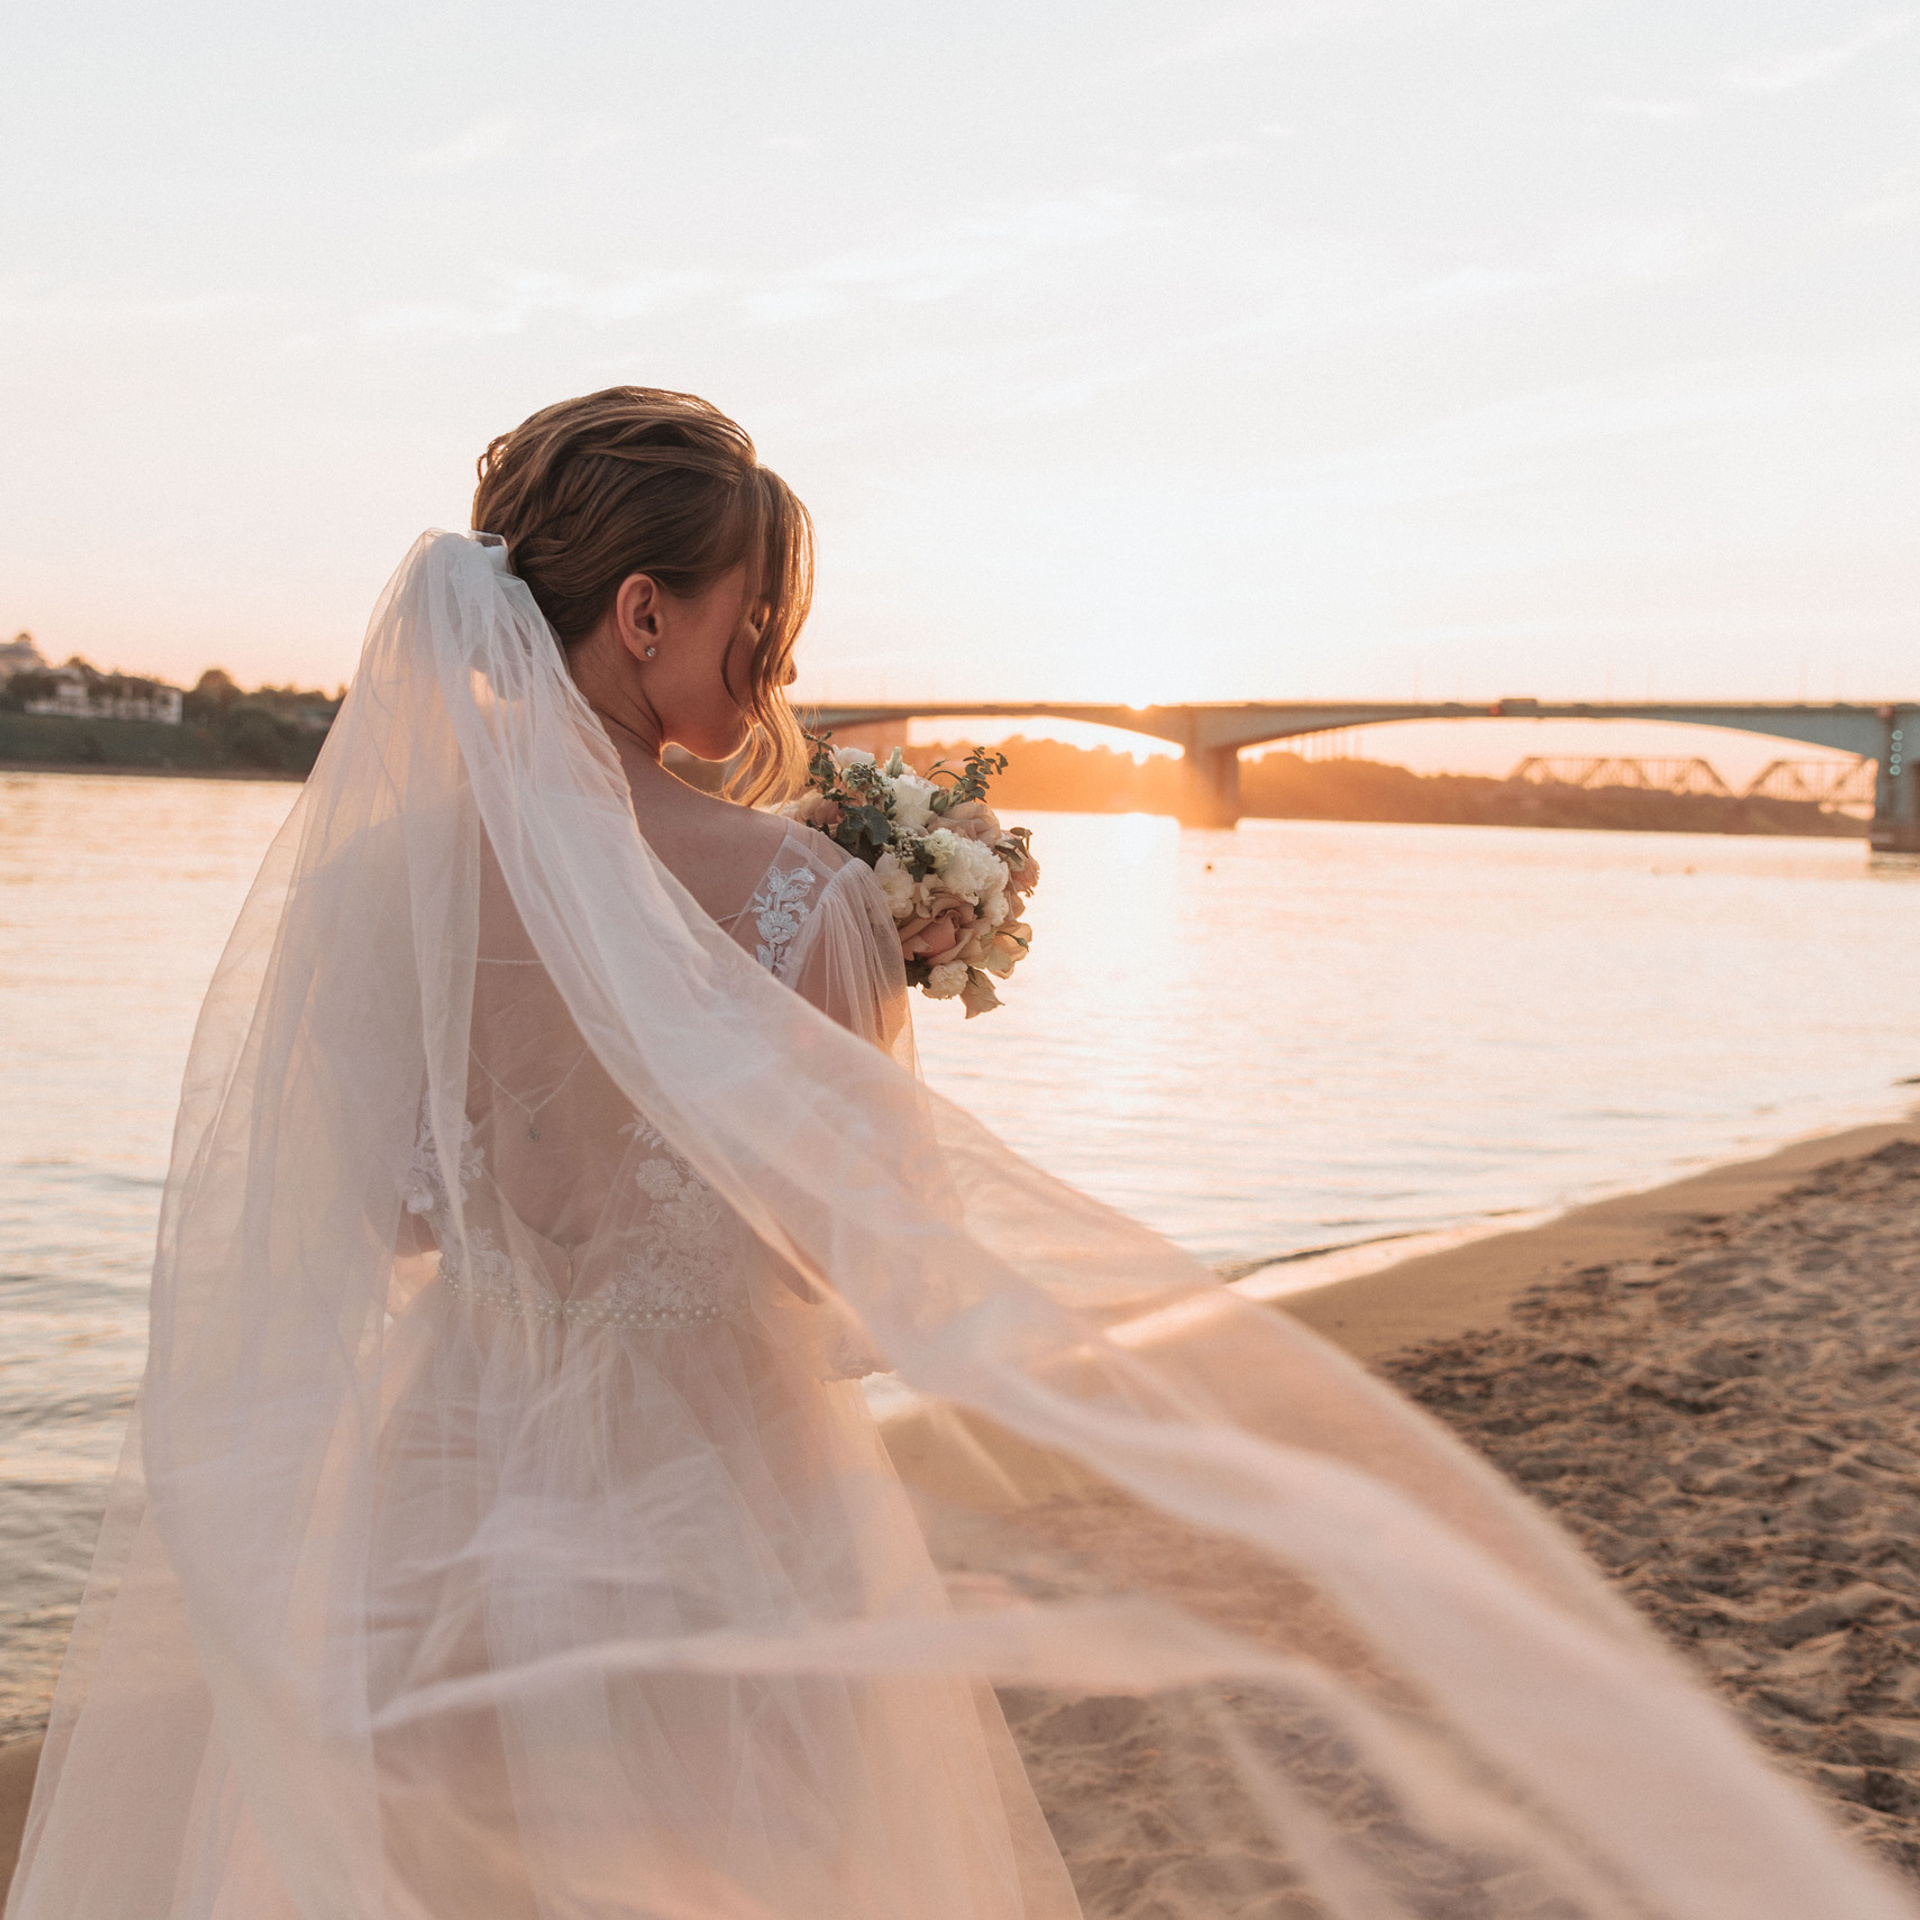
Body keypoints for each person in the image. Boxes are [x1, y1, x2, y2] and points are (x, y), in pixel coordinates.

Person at [7, 388, 1913, 1920]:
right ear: (646, 614)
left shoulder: (373, 888)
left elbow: (354, 1231)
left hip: (433, 1495)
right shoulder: (798, 897)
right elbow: (853, 1271)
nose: (775, 667)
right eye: (757, 621)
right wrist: (846, 1004)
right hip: (724, 1499)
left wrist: (541, 1223)